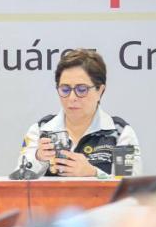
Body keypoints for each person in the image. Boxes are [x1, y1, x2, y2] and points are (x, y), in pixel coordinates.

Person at [16, 49, 141, 178]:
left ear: (100, 91)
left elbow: (128, 189)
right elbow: (19, 180)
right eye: (65, 89)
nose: (72, 97)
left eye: (82, 89)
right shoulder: (40, 130)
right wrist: (38, 158)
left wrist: (94, 173)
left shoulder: (120, 132)